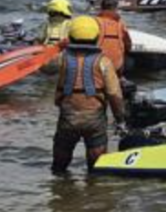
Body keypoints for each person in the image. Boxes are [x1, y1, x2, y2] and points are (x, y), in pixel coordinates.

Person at [53, 16, 125, 173]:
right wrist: (120, 119)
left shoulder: (61, 59)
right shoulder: (104, 62)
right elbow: (114, 94)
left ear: (70, 36)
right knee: (96, 167)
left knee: (59, 165)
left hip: (68, 118)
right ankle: (93, 194)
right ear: (96, 37)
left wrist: (58, 47)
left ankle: (60, 190)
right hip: (95, 120)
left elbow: (43, 67)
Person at [96, 0, 133, 77]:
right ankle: (120, 79)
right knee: (130, 61)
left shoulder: (94, 22)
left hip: (95, 64)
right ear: (116, 9)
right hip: (115, 66)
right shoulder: (120, 25)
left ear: (101, 8)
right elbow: (128, 45)